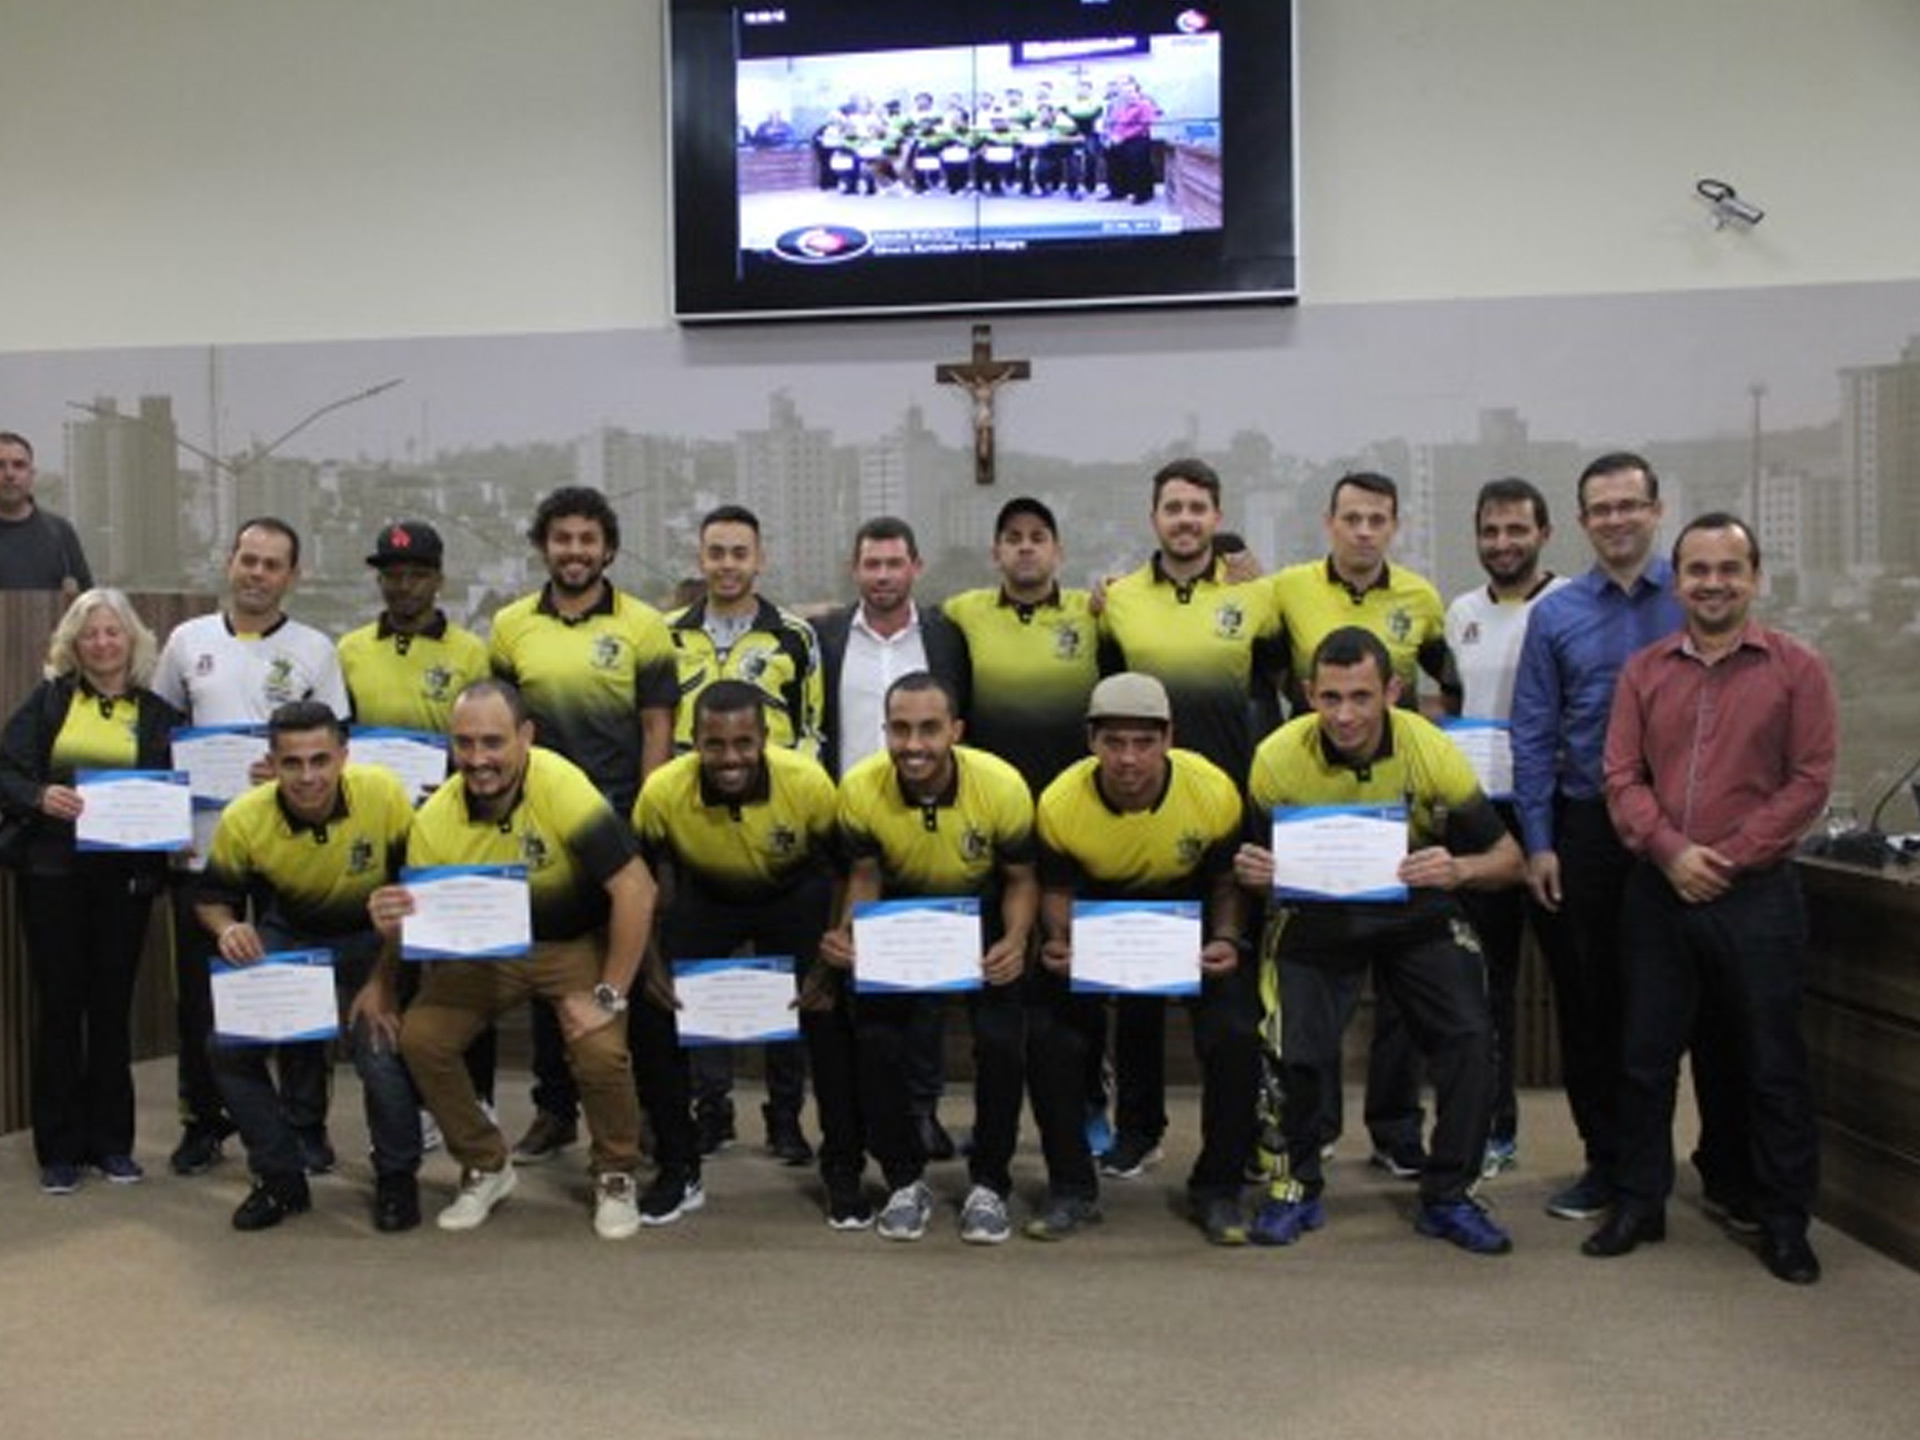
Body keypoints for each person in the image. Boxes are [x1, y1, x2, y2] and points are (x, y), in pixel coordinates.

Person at [1586, 513, 1835, 1285]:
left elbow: (1810, 780)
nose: (1714, 583)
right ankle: (1638, 1203)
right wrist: (1671, 853)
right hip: (1658, 893)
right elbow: (1621, 778)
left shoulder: (1798, 670)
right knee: (1643, 1059)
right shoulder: (1645, 671)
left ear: (1754, 577)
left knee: (1771, 1064)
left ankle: (1785, 1218)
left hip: (1757, 896)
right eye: (1698, 570)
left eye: (1730, 569)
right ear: (1679, 579)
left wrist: (1726, 858)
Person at [1511, 453, 1746, 1226]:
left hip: (1689, 832)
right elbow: (1535, 732)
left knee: (1704, 1005)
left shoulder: (1693, 600)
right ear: (1582, 523)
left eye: (1628, 506)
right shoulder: (1555, 614)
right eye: (1600, 509)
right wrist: (1540, 842)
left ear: (1655, 509)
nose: (1615, 520)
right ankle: (1606, 1163)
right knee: (1591, 1008)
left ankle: (1721, 1164)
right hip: (1589, 833)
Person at [1234, 627, 1522, 1256]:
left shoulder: (1432, 751)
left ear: (1392, 690)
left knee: (1470, 1035)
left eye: (1361, 697)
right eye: (1330, 697)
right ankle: (1294, 1188)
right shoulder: (1276, 758)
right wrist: (1255, 875)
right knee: (1293, 1045)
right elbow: (1260, 871)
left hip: (1414, 903)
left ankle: (1449, 1195)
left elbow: (1509, 858)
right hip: (1314, 909)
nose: (1345, 715)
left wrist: (1459, 870)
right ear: (1308, 693)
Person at [368, 679, 656, 1239]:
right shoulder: (434, 819)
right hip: (487, 951)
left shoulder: (563, 786)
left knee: (599, 1050)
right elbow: (422, 924)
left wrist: (607, 996)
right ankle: (485, 1162)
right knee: (423, 1038)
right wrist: (389, 949)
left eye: (493, 742)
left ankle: (616, 1172)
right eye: (465, 743)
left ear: (526, 737)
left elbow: (636, 889)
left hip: (572, 943)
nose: (478, 760)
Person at [1095, 458, 1282, 1181]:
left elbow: (1278, 691)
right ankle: (1139, 1129)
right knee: (1137, 992)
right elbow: (1106, 702)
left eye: (1197, 507)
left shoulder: (1255, 598)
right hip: (1140, 811)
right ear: (1154, 519)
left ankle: (1239, 1139)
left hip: (1228, 815)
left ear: (1216, 515)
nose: (1184, 519)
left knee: (1230, 995)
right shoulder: (1118, 600)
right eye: (1172, 507)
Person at [1270, 470, 1459, 1179]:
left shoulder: (1421, 598)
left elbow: (1448, 686)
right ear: (1329, 523)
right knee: (1316, 991)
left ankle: (1395, 1128)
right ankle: (1313, 1128)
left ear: (1394, 525)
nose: (1363, 530)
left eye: (1377, 519)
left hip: (1397, 820)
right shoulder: (1286, 588)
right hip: (1313, 812)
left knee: (1403, 989)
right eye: (1351, 518)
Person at [151, 517, 350, 1178]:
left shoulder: (316, 650)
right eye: (249, 560)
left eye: (273, 564)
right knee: (201, 1000)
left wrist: (289, 774)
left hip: (288, 853)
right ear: (230, 563)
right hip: (203, 852)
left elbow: (335, 753)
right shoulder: (186, 643)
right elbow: (159, 739)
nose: (258, 573)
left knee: (293, 992)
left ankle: (305, 1125)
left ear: (292, 576)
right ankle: (202, 1122)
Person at [1030, 672, 1259, 1245]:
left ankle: (1219, 1189)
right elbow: (1055, 890)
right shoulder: (1060, 801)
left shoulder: (1211, 790)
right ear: (1091, 741)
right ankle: (1071, 1189)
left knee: (1234, 1031)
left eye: (1143, 742)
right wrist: (1057, 940)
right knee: (1051, 1035)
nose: (1128, 758)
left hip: (1187, 906)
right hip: (1100, 910)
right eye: (1113, 742)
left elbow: (1228, 882)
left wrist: (1227, 940)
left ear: (1169, 738)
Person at [489, 486, 678, 1165]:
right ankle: (554, 1110)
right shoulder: (511, 625)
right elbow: (501, 730)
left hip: (617, 824)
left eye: (587, 540)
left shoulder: (644, 625)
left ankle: (649, 1112)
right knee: (550, 972)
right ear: (545, 546)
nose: (575, 551)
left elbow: (658, 725)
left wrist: (642, 818)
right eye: (562, 539)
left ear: (608, 549)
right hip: (539, 829)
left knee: (634, 969)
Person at [635, 681, 865, 1226]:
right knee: (651, 1016)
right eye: (714, 745)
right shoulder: (662, 792)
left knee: (831, 1018)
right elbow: (638, 882)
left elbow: (847, 872)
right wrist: (650, 964)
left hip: (794, 894)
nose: (730, 757)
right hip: (707, 896)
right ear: (693, 743)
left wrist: (831, 960)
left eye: (744, 742)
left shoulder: (807, 783)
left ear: (765, 738)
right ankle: (678, 1166)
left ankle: (843, 1169)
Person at [819, 673, 1036, 1244]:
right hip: (900, 915)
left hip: (981, 909)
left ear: (956, 731)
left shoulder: (1002, 786)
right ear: (885, 731)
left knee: (999, 1040)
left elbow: (1021, 878)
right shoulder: (861, 787)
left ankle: (990, 1182)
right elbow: (863, 876)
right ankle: (903, 1179)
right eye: (900, 729)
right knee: (878, 1041)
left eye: (929, 730)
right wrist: (847, 933)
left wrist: (1015, 940)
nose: (914, 745)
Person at [195, 702, 421, 1232]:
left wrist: (383, 983)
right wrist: (228, 928)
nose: (308, 776)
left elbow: (415, 893)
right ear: (271, 763)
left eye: (321, 760)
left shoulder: (384, 794)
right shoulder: (244, 817)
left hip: (374, 935)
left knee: (378, 1048)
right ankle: (280, 1178)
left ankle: (396, 1176)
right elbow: (211, 898)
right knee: (226, 1046)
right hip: (292, 936)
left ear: (344, 756)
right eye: (292, 763)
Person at [940, 497, 1111, 1149]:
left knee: (1076, 975)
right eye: (1012, 539)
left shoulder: (1093, 615)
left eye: (1038, 538)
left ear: (1059, 551)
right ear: (996, 552)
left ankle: (1091, 1103)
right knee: (1000, 979)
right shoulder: (964, 613)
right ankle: (996, 1121)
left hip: (1075, 825)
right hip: (995, 829)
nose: (1026, 549)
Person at [0, 589, 180, 1192]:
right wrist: (38, 796)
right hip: (52, 876)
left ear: (132, 641)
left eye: (113, 632)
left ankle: (112, 1144)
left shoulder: (157, 714)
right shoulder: (50, 702)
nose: (103, 643)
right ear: (73, 645)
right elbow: (6, 769)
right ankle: (59, 1150)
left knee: (110, 1011)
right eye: (90, 634)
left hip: (123, 883)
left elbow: (182, 786)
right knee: (59, 1008)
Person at [664, 504, 825, 1161]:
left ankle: (784, 1117)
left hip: (779, 839)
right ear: (700, 560)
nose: (727, 565)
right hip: (698, 833)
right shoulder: (664, 634)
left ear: (759, 559)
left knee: (787, 982)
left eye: (739, 553)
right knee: (700, 980)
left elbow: (815, 731)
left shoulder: (793, 636)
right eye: (716, 552)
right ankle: (713, 1112)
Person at [816, 516, 972, 1163]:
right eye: (871, 564)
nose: (882, 575)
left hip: (927, 826)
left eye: (894, 563)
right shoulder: (824, 636)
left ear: (916, 567)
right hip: (846, 831)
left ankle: (922, 1112)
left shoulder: (944, 636)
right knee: (844, 981)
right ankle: (854, 1122)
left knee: (925, 991)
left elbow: (969, 721)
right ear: (854, 570)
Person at [337, 519, 499, 1134]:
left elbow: (488, 740)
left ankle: (475, 1097)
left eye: (416, 575)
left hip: (451, 824)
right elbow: (339, 740)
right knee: (391, 964)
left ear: (438, 579)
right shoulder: (350, 649)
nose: (403, 586)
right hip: (376, 829)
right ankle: (411, 1105)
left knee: (458, 968)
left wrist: (455, 774)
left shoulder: (469, 652)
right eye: (392, 575)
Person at [1442, 478, 1568, 1176]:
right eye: (1490, 531)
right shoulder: (1459, 611)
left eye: (1517, 529)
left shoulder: (1571, 603)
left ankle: (1603, 1149)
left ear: (1544, 532)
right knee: (1482, 985)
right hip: (1477, 817)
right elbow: (1451, 705)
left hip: (1553, 814)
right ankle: (1493, 1129)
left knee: (1578, 982)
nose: (1503, 543)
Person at [0, 430, 93, 593]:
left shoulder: (60, 532)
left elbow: (87, 601)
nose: (9, 474)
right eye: (0, 465)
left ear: (31, 474)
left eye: (19, 465)